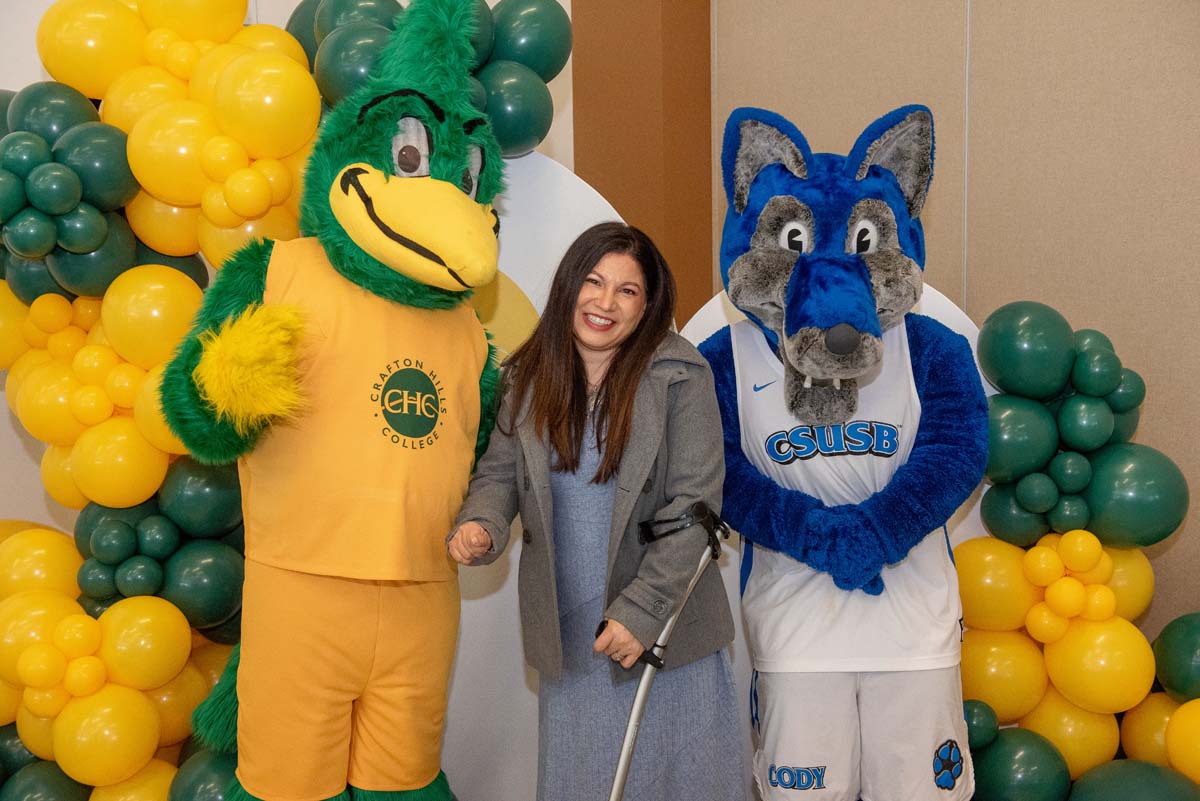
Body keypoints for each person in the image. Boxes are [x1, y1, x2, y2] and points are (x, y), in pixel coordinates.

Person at [448, 221, 746, 801]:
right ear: (569, 286)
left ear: (647, 305)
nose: (605, 302)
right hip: (572, 633)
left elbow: (695, 506)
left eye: (626, 290)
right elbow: (499, 474)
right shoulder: (527, 376)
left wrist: (641, 612)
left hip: (664, 629)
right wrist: (481, 523)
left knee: (683, 782)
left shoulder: (680, 374)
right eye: (593, 281)